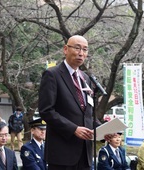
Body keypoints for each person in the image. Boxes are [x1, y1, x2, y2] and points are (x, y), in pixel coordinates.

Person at [38, 35, 97, 170]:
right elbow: (46, 111)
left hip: (84, 153)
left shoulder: (85, 78)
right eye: (77, 48)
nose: (81, 53)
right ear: (65, 49)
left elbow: (87, 114)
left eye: (85, 49)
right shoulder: (52, 74)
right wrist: (73, 129)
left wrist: (104, 129)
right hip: (62, 153)